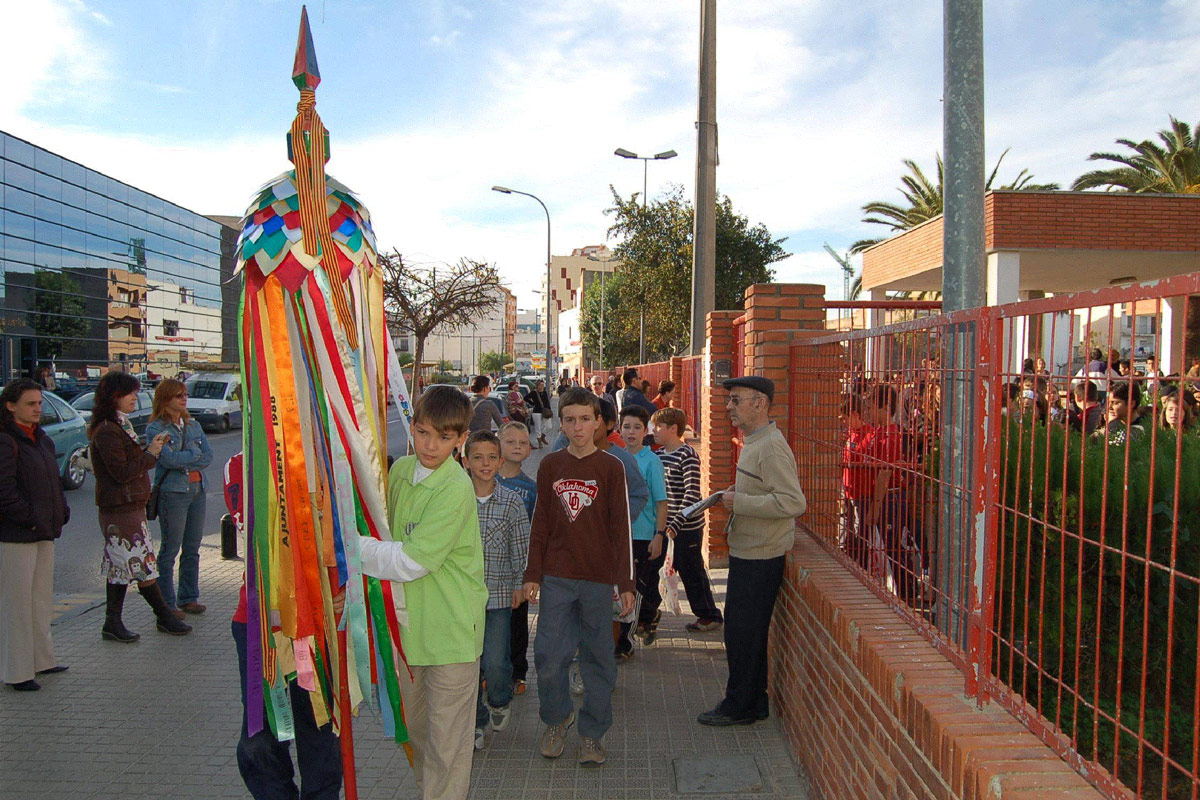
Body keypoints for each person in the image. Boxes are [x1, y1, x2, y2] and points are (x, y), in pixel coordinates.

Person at [356, 386, 487, 800]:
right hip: (410, 632)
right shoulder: (400, 472)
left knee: (448, 745)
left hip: (452, 632)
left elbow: (411, 562)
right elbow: (386, 535)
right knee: (417, 734)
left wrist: (348, 547)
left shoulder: (455, 488)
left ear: (461, 439)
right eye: (424, 432)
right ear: (411, 427)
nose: (431, 446)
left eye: (444, 437)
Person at [523, 388, 635, 766]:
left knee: (598, 658)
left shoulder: (611, 467)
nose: (578, 427)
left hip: (598, 579)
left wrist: (626, 583)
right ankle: (557, 719)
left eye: (585, 419)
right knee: (548, 655)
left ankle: (593, 732)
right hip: (556, 576)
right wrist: (533, 572)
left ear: (598, 422)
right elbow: (540, 523)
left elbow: (620, 529)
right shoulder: (550, 466)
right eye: (569, 420)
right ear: (561, 423)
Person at [226, 453, 342, 800]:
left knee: (318, 724)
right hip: (260, 624)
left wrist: (342, 588)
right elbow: (258, 532)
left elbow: (343, 533)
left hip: (314, 620)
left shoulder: (323, 453)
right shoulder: (241, 462)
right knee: (259, 735)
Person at [698, 375, 806, 727]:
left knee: (742, 634)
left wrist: (739, 501)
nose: (729, 406)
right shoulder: (757, 442)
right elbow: (766, 490)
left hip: (761, 556)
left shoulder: (770, 446)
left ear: (759, 404)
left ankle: (738, 705)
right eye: (729, 400)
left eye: (736, 400)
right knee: (747, 632)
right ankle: (754, 702)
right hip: (750, 551)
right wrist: (737, 493)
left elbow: (793, 502)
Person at [89, 372, 191, 641]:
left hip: (129, 505)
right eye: (129, 393)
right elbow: (121, 471)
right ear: (114, 396)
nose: (135, 397)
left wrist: (149, 452)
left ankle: (113, 622)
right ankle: (163, 615)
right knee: (140, 563)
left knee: (122, 565)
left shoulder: (119, 424)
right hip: (120, 508)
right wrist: (151, 455)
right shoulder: (108, 429)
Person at [0, 379, 70, 691]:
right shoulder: (6, 441)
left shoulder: (42, 439)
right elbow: (5, 491)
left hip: (44, 531)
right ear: (10, 406)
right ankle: (17, 672)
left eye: (39, 403)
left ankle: (42, 659)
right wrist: (28, 519)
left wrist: (61, 510)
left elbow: (54, 481)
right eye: (30, 404)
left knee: (40, 599)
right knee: (17, 604)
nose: (38, 409)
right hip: (16, 535)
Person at [462, 430, 529, 750]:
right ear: (465, 462)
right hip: (461, 598)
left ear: (501, 461)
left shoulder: (512, 501)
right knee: (468, 664)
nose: (485, 464)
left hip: (499, 596)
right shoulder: (456, 500)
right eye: (477, 458)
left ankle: (500, 700)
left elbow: (521, 547)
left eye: (491, 457)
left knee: (496, 662)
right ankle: (476, 720)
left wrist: (520, 584)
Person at [144, 379, 213, 618]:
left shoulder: (193, 425)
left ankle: (189, 598)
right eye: (178, 395)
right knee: (170, 549)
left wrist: (186, 457)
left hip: (197, 489)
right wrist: (193, 454)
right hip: (173, 493)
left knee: (192, 547)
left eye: (185, 395)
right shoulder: (156, 429)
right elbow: (168, 460)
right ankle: (167, 604)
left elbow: (208, 456)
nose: (184, 399)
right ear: (165, 399)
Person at [652, 407, 724, 633]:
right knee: (658, 569)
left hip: (686, 528)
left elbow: (692, 494)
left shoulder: (687, 455)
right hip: (666, 526)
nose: (654, 431)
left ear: (673, 429)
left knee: (691, 571)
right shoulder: (659, 455)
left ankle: (709, 615)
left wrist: (676, 523)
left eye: (659, 427)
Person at [618, 406, 669, 653]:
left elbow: (661, 502)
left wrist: (659, 535)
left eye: (637, 427)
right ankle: (645, 619)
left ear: (645, 431)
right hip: (620, 536)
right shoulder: (615, 458)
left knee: (637, 589)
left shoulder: (652, 461)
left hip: (644, 535)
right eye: (627, 427)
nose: (631, 432)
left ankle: (626, 642)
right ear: (619, 429)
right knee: (623, 589)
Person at [496, 422, 537, 696]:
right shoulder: (483, 480)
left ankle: (518, 673)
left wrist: (530, 574)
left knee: (517, 623)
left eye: (522, 442)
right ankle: (489, 671)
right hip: (485, 568)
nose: (517, 447)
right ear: (498, 444)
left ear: (530, 449)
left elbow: (534, 531)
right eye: (510, 442)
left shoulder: (531, 489)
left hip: (516, 569)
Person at [526, 379, 552, 447]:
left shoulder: (545, 392)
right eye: (541, 385)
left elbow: (547, 402)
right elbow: (525, 398)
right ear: (537, 386)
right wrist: (533, 403)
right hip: (537, 412)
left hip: (545, 411)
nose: (542, 386)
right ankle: (539, 442)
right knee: (538, 427)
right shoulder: (534, 392)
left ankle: (543, 436)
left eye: (543, 385)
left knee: (549, 426)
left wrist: (550, 410)